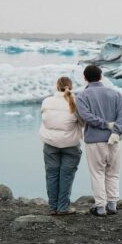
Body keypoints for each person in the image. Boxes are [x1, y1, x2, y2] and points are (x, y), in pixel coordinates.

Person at [75, 64, 122, 216]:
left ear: (85, 78)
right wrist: (116, 131)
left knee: (97, 173)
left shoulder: (82, 96)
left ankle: (100, 208)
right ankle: (112, 205)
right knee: (113, 172)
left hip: (95, 141)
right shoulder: (115, 94)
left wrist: (104, 124)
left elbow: (86, 116)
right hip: (114, 140)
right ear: (101, 76)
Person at [39, 76, 83, 215]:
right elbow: (82, 122)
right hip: (70, 145)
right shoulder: (75, 102)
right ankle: (63, 207)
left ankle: (52, 207)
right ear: (71, 87)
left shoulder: (47, 101)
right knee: (66, 176)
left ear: (57, 86)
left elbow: (44, 117)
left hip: (50, 144)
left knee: (51, 175)